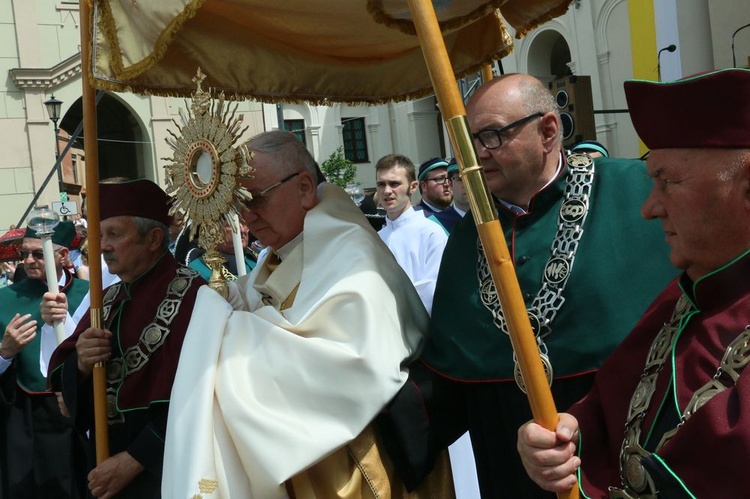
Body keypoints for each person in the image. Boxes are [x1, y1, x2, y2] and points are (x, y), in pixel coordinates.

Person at [384, 73, 678, 498]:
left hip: (628, 446)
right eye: (468, 141)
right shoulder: (468, 238)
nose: (475, 156)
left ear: (547, 130)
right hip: (510, 459)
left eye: (491, 136)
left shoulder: (635, 192)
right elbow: (447, 375)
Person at [161, 131, 452, 498]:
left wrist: (223, 330)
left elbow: (346, 364)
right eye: (239, 202)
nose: (247, 215)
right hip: (299, 461)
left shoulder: (353, 255)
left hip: (357, 461)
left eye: (256, 198)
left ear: (303, 187)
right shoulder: (278, 252)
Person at [518, 67, 750, 499]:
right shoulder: (682, 297)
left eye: (667, 182)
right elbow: (608, 411)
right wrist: (563, 439)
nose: (649, 208)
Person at [47, 179, 206, 498]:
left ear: (154, 238)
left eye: (115, 235)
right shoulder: (104, 299)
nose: (102, 246)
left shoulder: (196, 297)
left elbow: (203, 395)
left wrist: (136, 459)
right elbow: (62, 384)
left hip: (166, 470)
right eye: (100, 235)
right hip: (104, 471)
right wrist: (79, 363)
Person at [0, 221, 88, 498]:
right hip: (26, 416)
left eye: (38, 254)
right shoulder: (4, 299)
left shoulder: (89, 293)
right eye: (24, 254)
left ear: (63, 256)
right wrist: (5, 352)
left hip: (80, 409)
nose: (27, 261)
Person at [375, 153, 448, 315]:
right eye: (381, 184)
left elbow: (432, 293)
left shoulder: (431, 233)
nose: (387, 191)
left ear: (413, 187)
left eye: (394, 184)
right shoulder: (376, 238)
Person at [188, 218, 256, 280]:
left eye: (244, 223)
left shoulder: (260, 256)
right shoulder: (197, 270)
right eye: (230, 225)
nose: (242, 230)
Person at [433, 158, 470, 233]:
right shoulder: (435, 224)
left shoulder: (497, 216)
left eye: (474, 177)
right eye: (460, 179)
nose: (468, 184)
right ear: (450, 183)